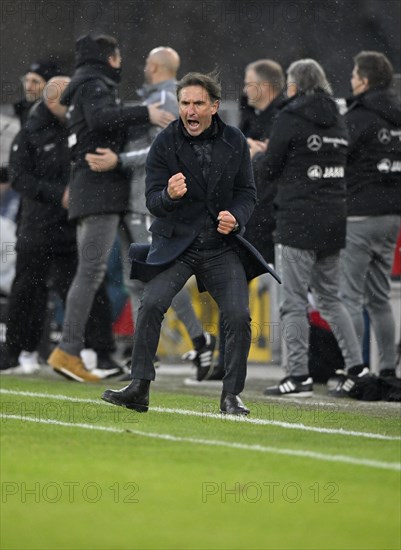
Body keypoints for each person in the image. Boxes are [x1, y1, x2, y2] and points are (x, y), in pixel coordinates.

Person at [102, 71, 279, 415]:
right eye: (185, 103)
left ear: (214, 106)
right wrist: (168, 195)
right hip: (175, 245)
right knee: (151, 303)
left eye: (198, 103)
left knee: (239, 316)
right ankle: (139, 387)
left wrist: (237, 217)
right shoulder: (164, 142)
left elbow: (247, 193)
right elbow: (152, 198)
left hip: (219, 245)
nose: (190, 110)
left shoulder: (235, 141)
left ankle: (231, 396)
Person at [85, 46, 216, 382]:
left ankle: (201, 341)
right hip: (133, 202)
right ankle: (146, 352)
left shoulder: (170, 102)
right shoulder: (150, 100)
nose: (143, 66)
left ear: (155, 66)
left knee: (161, 277)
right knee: (134, 281)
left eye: (146, 62)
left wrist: (119, 161)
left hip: (150, 203)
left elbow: (162, 149)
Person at [47, 34, 174, 381]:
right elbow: (103, 119)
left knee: (94, 274)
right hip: (99, 192)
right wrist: (145, 112)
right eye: (117, 55)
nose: (121, 62)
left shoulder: (84, 84)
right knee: (90, 273)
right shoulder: (93, 84)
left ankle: (73, 349)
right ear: (109, 58)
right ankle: (68, 350)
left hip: (96, 192)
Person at [254, 59, 364, 397]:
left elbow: (270, 168)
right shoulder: (339, 117)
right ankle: (357, 368)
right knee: (331, 298)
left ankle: (298, 376)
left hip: (297, 220)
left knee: (293, 302)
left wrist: (259, 155)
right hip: (333, 218)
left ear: (293, 85)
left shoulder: (289, 116)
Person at [2, 77, 119, 378]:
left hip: (75, 223)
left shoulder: (83, 122)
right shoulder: (31, 129)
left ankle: (100, 352)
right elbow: (18, 177)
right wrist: (58, 194)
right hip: (38, 223)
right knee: (28, 289)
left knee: (90, 285)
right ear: (52, 100)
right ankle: (17, 351)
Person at [333, 51, 401, 396]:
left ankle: (354, 372)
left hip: (358, 214)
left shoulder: (359, 116)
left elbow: (337, 155)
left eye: (355, 74)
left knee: (348, 297)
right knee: (379, 297)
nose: (351, 80)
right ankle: (388, 371)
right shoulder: (397, 115)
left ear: (365, 79)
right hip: (392, 216)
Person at [14, 60, 61, 126]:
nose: (28, 87)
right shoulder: (19, 109)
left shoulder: (54, 118)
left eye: (35, 82)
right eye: (26, 80)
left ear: (50, 86)